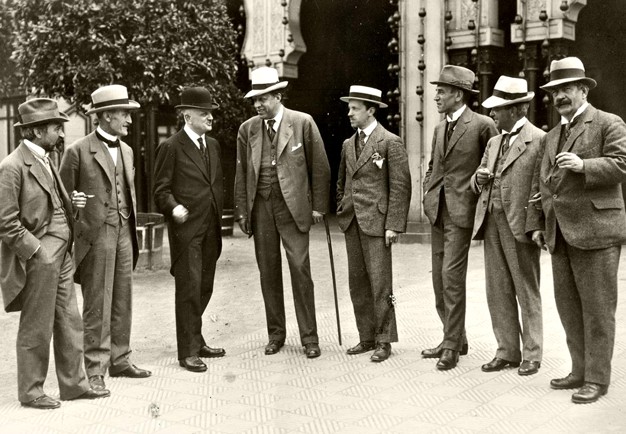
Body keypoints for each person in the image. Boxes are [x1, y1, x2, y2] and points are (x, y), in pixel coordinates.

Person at [0, 98, 110, 409]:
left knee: (69, 320)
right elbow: (6, 223)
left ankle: (73, 385)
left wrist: (68, 203)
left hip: (62, 253)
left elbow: (49, 202)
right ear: (35, 131)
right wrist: (37, 253)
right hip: (41, 255)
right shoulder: (11, 167)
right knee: (36, 323)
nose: (61, 134)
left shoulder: (46, 159)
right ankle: (32, 391)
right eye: (55, 128)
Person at [528, 57, 626, 404]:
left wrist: (585, 165)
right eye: (555, 91)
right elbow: (542, 183)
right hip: (560, 234)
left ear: (583, 89)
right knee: (568, 308)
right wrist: (538, 225)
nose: (559, 97)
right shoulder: (552, 135)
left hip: (597, 232)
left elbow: (621, 165)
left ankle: (597, 379)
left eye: (566, 89)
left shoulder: (607, 123)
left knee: (598, 310)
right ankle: (579, 370)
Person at [60, 85, 151, 392]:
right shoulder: (78, 151)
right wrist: (75, 201)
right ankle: (95, 369)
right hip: (96, 236)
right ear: (107, 115)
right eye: (124, 113)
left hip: (125, 231)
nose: (128, 119)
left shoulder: (126, 150)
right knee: (97, 301)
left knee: (123, 296)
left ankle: (120, 359)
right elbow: (62, 198)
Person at [234, 66, 331, 358]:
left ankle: (310, 338)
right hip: (261, 206)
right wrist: (242, 211)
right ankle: (276, 335)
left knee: (300, 271)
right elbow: (241, 172)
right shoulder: (248, 129)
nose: (258, 105)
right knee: (268, 272)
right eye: (255, 100)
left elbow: (320, 167)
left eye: (263, 98)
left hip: (293, 208)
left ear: (278, 95)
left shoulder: (302, 123)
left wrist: (318, 207)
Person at [422, 65, 498, 370]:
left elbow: (492, 166)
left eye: (442, 90)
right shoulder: (440, 128)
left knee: (452, 278)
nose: (437, 96)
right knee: (440, 281)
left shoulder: (481, 125)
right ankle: (455, 337)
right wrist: (428, 190)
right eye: (437, 90)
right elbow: (433, 166)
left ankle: (451, 347)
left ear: (458, 94)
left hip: (462, 213)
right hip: (438, 211)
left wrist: (480, 207)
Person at [471, 76, 545, 376]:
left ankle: (532, 354)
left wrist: (534, 226)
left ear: (516, 110)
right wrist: (480, 179)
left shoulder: (539, 139)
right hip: (492, 222)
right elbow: (477, 178)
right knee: (497, 289)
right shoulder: (493, 141)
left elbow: (541, 188)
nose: (493, 114)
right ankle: (506, 351)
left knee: (526, 289)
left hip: (520, 225)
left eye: (498, 109)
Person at [336, 85, 411, 362]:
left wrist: (393, 224)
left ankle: (384, 340)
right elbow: (343, 181)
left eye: (354, 108)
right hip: (352, 221)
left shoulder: (390, 141)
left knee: (380, 283)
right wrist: (342, 207)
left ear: (371, 110)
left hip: (378, 223)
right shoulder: (347, 144)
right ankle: (366, 337)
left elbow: (401, 186)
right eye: (349, 108)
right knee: (357, 282)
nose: (349, 113)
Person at [153, 87, 225, 373]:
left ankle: (196, 339)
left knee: (204, 286)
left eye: (210, 113)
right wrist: (174, 208)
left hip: (211, 228)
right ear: (187, 115)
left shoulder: (214, 145)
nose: (210, 117)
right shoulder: (171, 147)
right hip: (187, 231)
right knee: (189, 289)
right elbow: (160, 190)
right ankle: (188, 352)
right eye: (204, 113)